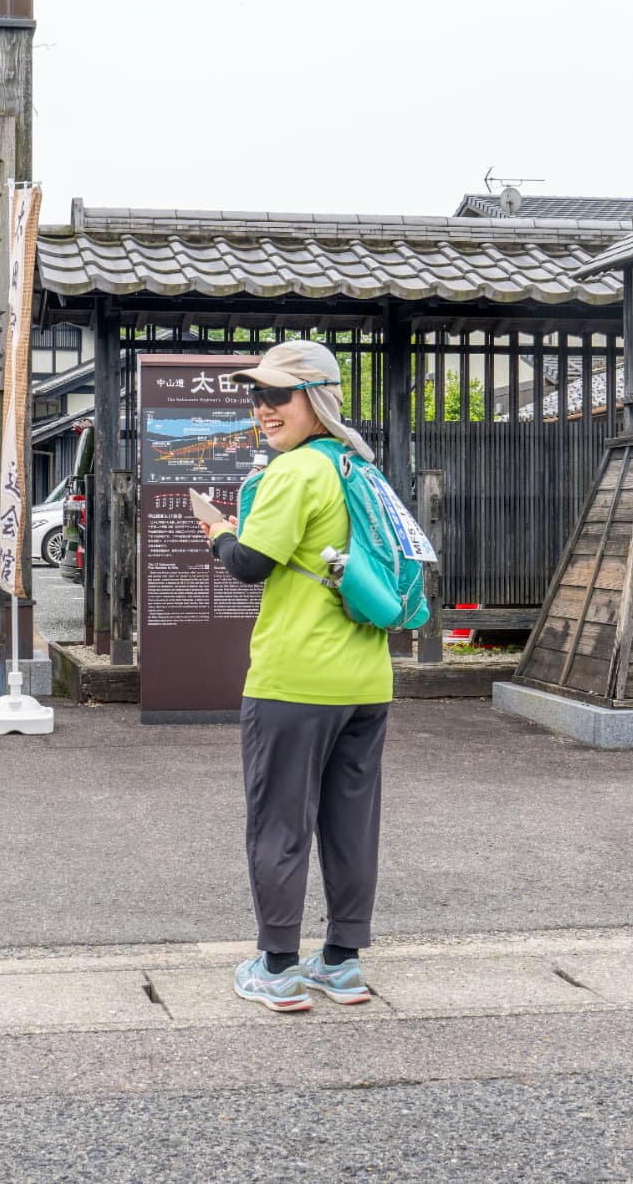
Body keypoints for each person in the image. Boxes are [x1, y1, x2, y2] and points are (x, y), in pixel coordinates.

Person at [198, 341, 394, 1013]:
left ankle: (278, 965)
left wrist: (218, 529)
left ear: (315, 397)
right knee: (350, 823)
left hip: (295, 679)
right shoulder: (360, 466)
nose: (263, 407)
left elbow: (250, 562)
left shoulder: (295, 471)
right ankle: (342, 962)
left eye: (277, 395)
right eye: (257, 395)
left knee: (280, 820)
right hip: (367, 676)